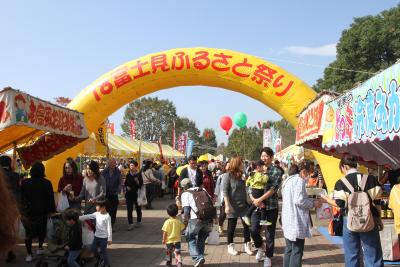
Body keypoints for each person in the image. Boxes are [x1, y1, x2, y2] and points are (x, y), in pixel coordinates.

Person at [321, 154, 384, 267]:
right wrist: (378, 220)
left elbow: (340, 204)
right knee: (373, 254)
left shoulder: (340, 183)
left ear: (344, 166)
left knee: (352, 255)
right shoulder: (371, 179)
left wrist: (326, 199)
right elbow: (378, 201)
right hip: (369, 219)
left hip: (349, 220)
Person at [281, 161, 323, 267]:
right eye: (308, 172)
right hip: (296, 220)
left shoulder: (287, 180)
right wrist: (313, 203)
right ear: (303, 171)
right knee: (297, 250)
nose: (309, 176)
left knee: (289, 249)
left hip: (288, 219)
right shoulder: (298, 181)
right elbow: (299, 200)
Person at [250, 147, 283, 266]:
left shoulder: (276, 171)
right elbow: (249, 185)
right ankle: (260, 247)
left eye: (266, 156)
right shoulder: (255, 169)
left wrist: (260, 199)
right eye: (262, 156)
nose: (264, 158)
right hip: (256, 207)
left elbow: (273, 189)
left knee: (269, 233)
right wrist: (254, 199)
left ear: (272, 157)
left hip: (271, 207)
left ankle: (268, 256)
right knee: (253, 229)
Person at [20, 161, 56, 262]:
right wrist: (52, 210)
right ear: (42, 171)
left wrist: (22, 211)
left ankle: (29, 254)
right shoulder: (47, 183)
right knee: (42, 231)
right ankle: (40, 248)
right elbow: (50, 198)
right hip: (42, 212)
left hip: (28, 212)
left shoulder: (25, 182)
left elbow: (21, 198)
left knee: (28, 234)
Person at [221, 156, 253, 256]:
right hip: (232, 206)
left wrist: (248, 198)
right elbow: (225, 191)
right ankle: (230, 246)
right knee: (231, 227)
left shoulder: (242, 175)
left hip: (243, 205)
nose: (243, 165)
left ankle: (247, 245)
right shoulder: (227, 176)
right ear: (236, 164)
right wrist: (227, 205)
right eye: (241, 163)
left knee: (247, 226)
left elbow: (245, 189)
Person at [181, 178, 214, 267]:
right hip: (208, 218)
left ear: (183, 187)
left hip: (196, 219)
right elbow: (212, 202)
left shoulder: (185, 194)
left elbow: (187, 211)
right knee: (202, 239)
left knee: (190, 238)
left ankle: (198, 258)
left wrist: (185, 223)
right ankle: (200, 258)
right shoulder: (203, 189)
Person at [0, 155, 21, 263]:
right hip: (13, 205)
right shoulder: (16, 175)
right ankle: (10, 251)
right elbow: (18, 189)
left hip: (2, 205)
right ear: (9, 164)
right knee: (11, 229)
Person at [79, 198, 112, 267]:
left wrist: (109, 239)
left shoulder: (107, 217)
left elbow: (109, 228)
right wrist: (78, 217)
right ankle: (100, 259)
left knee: (103, 252)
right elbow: (88, 216)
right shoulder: (97, 213)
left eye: (97, 206)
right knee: (93, 249)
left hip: (104, 238)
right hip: (96, 237)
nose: (96, 207)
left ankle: (107, 264)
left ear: (103, 207)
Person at [243, 160, 270, 227]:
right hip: (258, 191)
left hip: (254, 191)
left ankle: (262, 220)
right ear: (258, 167)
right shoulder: (258, 174)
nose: (264, 168)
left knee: (262, 205)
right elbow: (265, 180)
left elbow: (247, 183)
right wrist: (266, 173)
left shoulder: (252, 173)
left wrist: (251, 186)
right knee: (257, 204)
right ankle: (247, 215)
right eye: (262, 166)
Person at [102, 158, 121, 228]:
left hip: (114, 194)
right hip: (105, 194)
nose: (113, 164)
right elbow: (101, 182)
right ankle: (106, 225)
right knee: (106, 210)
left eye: (114, 163)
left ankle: (111, 225)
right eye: (111, 163)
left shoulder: (118, 172)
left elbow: (120, 183)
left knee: (113, 211)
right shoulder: (104, 172)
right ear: (108, 164)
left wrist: (118, 190)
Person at [125, 160, 143, 231]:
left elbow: (141, 185)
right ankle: (130, 224)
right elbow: (126, 183)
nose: (131, 167)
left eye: (132, 165)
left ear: (136, 167)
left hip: (137, 194)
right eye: (130, 165)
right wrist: (127, 187)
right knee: (129, 209)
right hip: (129, 194)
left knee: (138, 209)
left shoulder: (139, 174)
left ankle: (138, 221)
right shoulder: (128, 174)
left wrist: (137, 181)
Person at [215, 161, 228, 233]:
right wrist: (216, 196)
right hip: (223, 197)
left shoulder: (234, 175)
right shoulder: (221, 176)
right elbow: (217, 186)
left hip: (232, 198)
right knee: (223, 214)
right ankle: (220, 225)